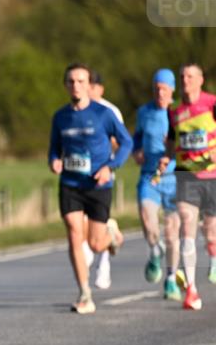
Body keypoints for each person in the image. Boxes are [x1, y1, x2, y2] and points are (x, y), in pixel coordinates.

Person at [49, 63, 133, 314]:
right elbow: (54, 147)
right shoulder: (60, 116)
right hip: (71, 184)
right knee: (75, 233)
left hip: (98, 183)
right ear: (66, 85)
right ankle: (85, 293)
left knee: (96, 245)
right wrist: (53, 160)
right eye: (71, 81)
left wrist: (111, 166)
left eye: (81, 81)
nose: (76, 86)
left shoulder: (104, 114)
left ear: (89, 85)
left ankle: (111, 234)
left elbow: (126, 142)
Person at [159, 62, 216, 310]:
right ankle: (191, 288)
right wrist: (166, 157)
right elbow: (172, 141)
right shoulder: (174, 110)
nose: (185, 80)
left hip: (212, 175)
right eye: (182, 76)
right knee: (185, 220)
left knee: (212, 230)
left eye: (190, 76)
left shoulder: (212, 103)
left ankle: (213, 252)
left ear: (201, 80)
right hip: (186, 175)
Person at [132, 68, 181, 299]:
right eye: (156, 88)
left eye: (164, 89)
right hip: (150, 176)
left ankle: (171, 279)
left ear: (172, 90)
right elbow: (137, 136)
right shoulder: (144, 112)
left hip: (173, 178)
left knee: (172, 233)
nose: (160, 93)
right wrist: (136, 151)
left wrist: (174, 149)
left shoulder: (180, 113)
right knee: (147, 218)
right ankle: (154, 251)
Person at [86, 70, 125, 289]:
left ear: (100, 88)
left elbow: (121, 142)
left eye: (92, 86)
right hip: (80, 173)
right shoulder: (78, 110)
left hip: (103, 172)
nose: (88, 90)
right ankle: (92, 253)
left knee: (97, 221)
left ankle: (103, 265)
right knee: (82, 221)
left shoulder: (111, 111)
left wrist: (103, 142)